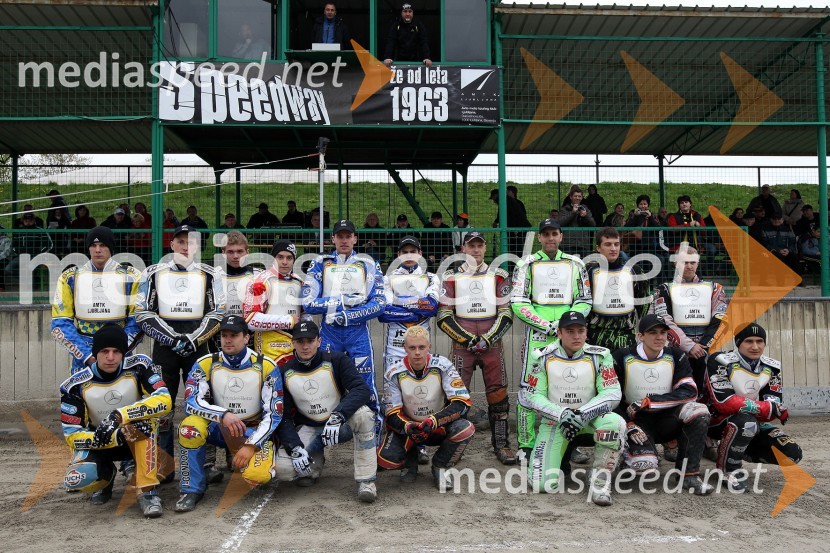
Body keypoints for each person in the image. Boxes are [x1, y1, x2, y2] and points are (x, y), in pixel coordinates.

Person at [135, 225, 226, 481]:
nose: (186, 247)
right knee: (162, 406)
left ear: (198, 246)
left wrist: (193, 339)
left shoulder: (212, 274)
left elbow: (218, 312)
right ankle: (164, 466)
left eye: (191, 242)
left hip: (199, 350)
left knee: (202, 404)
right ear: (172, 244)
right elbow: (142, 312)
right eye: (181, 242)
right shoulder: (153, 273)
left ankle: (206, 464)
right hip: (164, 351)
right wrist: (172, 338)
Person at [60, 324, 171, 517]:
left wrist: (119, 416)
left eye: (116, 351)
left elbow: (164, 400)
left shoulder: (139, 366)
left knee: (144, 426)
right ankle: (105, 479)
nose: (111, 357)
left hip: (134, 435)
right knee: (78, 477)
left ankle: (147, 491)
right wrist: (113, 435)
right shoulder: (74, 385)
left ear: (123, 353)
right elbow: (71, 435)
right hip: (100, 440)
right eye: (104, 351)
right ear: (95, 353)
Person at [174, 315, 283, 512]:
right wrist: (223, 414)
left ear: (246, 337)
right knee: (189, 428)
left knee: (258, 476)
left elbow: (273, 413)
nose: (228, 340)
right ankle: (191, 489)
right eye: (224, 335)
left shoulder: (266, 365)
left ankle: (250, 459)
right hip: (221, 428)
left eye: (234, 335)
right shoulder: (206, 362)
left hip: (252, 431)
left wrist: (251, 445)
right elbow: (191, 401)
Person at [518, 311, 625, 504]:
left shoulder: (601, 355)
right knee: (541, 485)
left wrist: (582, 414)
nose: (576, 336)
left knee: (615, 423)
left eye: (581, 331)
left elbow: (612, 392)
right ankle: (555, 465)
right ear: (559, 333)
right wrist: (562, 414)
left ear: (586, 332)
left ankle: (600, 482)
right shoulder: (541, 356)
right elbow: (533, 396)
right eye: (570, 331)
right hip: (555, 421)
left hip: (590, 419)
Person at [511, 218, 592, 462]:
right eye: (546, 234)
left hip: (569, 335)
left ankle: (570, 443)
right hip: (539, 336)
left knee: (568, 388)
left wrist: (566, 325)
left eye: (554, 233)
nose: (550, 238)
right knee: (529, 387)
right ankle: (526, 445)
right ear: (539, 237)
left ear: (561, 236)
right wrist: (546, 325)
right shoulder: (527, 263)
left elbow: (584, 299)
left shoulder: (575, 263)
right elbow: (518, 301)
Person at [274, 320, 378, 502]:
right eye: (300, 341)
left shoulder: (337, 360)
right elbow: (283, 416)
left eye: (310, 341)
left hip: (339, 425)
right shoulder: (283, 372)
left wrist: (339, 415)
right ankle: (314, 463)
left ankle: (366, 481)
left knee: (364, 415)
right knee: (283, 470)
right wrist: (294, 446)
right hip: (310, 427)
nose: (305, 346)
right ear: (293, 343)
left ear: (319, 341)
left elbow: (361, 390)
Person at [302, 219, 386, 439]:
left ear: (355, 239)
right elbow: (308, 302)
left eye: (348, 236)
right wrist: (342, 301)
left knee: (365, 384)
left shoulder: (368, 263)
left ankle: (373, 434)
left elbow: (379, 303)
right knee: (326, 384)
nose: (344, 240)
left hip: (358, 333)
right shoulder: (320, 263)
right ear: (333, 239)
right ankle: (322, 434)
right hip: (329, 333)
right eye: (340, 236)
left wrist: (347, 315)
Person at [612, 314, 713, 495]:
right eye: (653, 333)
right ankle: (626, 456)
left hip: (668, 419)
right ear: (640, 336)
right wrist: (627, 424)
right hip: (637, 423)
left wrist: (650, 402)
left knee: (700, 412)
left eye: (663, 332)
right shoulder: (622, 356)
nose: (659, 337)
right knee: (644, 466)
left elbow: (689, 391)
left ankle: (688, 475)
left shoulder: (676, 355)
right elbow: (611, 396)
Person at [438, 231, 515, 464]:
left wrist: (489, 339)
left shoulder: (499, 275)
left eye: (480, 245)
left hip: (492, 345)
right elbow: (443, 315)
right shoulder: (451, 277)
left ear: (485, 248)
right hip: (462, 347)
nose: (476, 250)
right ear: (463, 249)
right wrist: (467, 339)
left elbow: (506, 312)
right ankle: (453, 447)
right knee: (456, 397)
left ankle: (502, 445)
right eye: (471, 246)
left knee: (498, 395)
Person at [704, 324, 802, 492]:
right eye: (749, 341)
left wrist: (769, 409)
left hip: (752, 422)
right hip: (713, 421)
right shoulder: (720, 361)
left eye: (759, 341)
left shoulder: (771, 367)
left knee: (792, 454)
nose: (755, 346)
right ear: (738, 343)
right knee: (746, 422)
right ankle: (728, 470)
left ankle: (734, 450)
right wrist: (767, 409)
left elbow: (773, 406)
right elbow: (725, 402)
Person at [378, 326, 475, 488]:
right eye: (412, 348)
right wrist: (408, 426)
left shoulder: (443, 365)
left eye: (422, 347)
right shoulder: (393, 372)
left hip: (437, 426)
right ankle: (410, 462)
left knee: (465, 428)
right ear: (405, 348)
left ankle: (440, 465)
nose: (417, 352)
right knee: (386, 460)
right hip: (410, 428)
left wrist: (433, 421)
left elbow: (462, 403)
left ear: (429, 347)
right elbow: (391, 413)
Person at [378, 236, 440, 465]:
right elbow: (384, 313)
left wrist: (401, 305)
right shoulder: (388, 279)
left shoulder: (431, 277)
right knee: (394, 398)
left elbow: (431, 307)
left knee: (419, 397)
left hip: (420, 350)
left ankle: (420, 445)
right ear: (398, 255)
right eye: (405, 251)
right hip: (395, 349)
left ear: (420, 254)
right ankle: (395, 442)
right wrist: (416, 307)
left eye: (413, 251)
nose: (409, 255)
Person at [52, 227, 142, 374]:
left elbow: (138, 319)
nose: (98, 250)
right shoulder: (70, 277)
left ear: (111, 247)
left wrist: (118, 350)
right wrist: (87, 356)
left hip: (119, 354)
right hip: (84, 356)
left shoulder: (131, 276)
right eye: (93, 245)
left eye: (103, 245)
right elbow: (60, 323)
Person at [585, 227, 650, 351]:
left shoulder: (634, 270)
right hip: (596, 335)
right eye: (608, 244)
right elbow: (582, 301)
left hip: (626, 336)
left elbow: (644, 302)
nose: (613, 248)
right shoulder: (588, 270)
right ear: (598, 248)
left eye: (616, 244)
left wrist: (635, 325)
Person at [243, 240, 305, 365]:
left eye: (289, 258)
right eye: (280, 257)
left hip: (296, 345)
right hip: (269, 347)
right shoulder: (259, 282)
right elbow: (250, 320)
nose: (284, 262)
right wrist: (288, 321)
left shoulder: (299, 282)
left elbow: (304, 314)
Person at [383, 3, 431, 67]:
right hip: (398, 61)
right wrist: (387, 57)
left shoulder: (418, 25)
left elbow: (423, 42)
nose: (407, 14)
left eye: (410, 11)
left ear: (413, 13)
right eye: (405, 11)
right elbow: (391, 42)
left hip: (416, 61)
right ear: (401, 13)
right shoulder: (396, 25)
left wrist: (427, 57)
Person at [489, 188, 532, 258]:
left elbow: (512, 216)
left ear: (496, 195)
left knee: (516, 249)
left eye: (493, 198)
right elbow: (502, 214)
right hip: (518, 228)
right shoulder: (507, 201)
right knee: (516, 249)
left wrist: (514, 228)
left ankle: (514, 264)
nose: (493, 201)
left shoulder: (505, 201)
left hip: (517, 229)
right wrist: (496, 221)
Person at [559, 186, 596, 258]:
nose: (577, 198)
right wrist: (572, 213)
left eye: (579, 196)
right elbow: (560, 223)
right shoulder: (565, 209)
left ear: (582, 198)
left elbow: (593, 224)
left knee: (583, 264)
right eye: (575, 196)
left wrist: (585, 216)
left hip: (583, 244)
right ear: (571, 197)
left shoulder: (585, 209)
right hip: (568, 244)